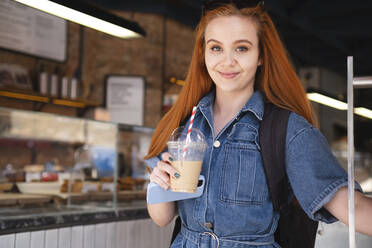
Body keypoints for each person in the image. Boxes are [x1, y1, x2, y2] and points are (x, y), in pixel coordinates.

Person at [144, 1, 372, 247]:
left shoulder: (287, 130)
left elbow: (351, 206)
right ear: (203, 53)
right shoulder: (185, 123)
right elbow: (162, 218)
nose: (227, 61)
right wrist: (159, 184)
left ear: (261, 55)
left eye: (241, 48)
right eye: (216, 48)